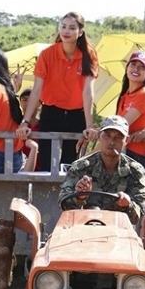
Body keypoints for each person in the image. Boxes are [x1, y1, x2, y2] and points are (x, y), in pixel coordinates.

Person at [16, 12, 99, 171]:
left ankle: (66, 196)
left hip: (77, 114)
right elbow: (37, 90)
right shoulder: (47, 54)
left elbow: (88, 91)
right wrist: (25, 121)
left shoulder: (89, 55)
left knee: (70, 165)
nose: (66, 31)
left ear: (80, 32)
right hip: (51, 112)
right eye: (63, 26)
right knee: (47, 162)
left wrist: (89, 125)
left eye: (72, 28)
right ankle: (43, 196)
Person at [58, 115, 145, 223]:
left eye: (118, 137)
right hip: (83, 231)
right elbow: (63, 204)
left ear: (127, 140)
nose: (111, 142)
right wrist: (79, 197)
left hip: (119, 233)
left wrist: (127, 204)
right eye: (107, 135)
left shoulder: (135, 172)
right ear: (99, 136)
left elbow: (138, 215)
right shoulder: (80, 167)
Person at [115, 50, 145, 169]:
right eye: (133, 64)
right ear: (127, 67)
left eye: (142, 67)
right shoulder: (125, 96)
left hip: (133, 156)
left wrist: (88, 156)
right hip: (119, 150)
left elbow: (119, 127)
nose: (136, 69)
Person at [19, 88, 40, 172]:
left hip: (43, 170)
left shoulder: (45, 125)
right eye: (24, 100)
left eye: (32, 99)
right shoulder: (16, 124)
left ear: (39, 103)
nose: (28, 103)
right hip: (20, 169)